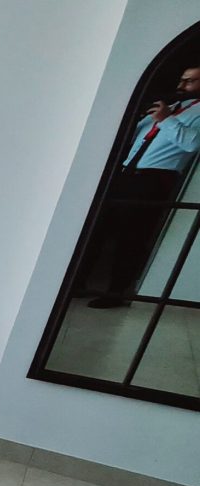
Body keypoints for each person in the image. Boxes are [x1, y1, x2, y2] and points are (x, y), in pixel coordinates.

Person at [85, 66, 200, 308]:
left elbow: (191, 144)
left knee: (132, 238)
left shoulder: (192, 112)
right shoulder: (170, 107)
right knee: (98, 229)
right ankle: (81, 283)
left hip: (153, 181)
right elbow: (135, 136)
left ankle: (116, 294)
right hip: (126, 174)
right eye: (182, 79)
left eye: (189, 81)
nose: (181, 86)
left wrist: (166, 119)